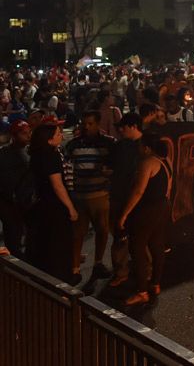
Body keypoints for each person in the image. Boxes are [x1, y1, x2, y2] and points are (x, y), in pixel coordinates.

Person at [118, 133, 172, 306]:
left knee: (137, 248)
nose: (138, 149)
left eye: (140, 146)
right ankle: (155, 283)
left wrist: (125, 213)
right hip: (162, 206)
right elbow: (169, 187)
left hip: (147, 210)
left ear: (147, 148)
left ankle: (142, 291)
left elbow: (139, 191)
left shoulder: (147, 163)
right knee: (157, 246)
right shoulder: (166, 162)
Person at [66, 110, 116, 283]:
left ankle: (98, 262)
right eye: (84, 124)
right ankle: (75, 268)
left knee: (102, 230)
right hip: (79, 195)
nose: (87, 127)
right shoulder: (73, 145)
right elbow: (67, 167)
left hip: (100, 195)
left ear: (98, 124)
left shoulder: (109, 144)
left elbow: (116, 167)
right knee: (77, 233)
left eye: (90, 124)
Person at [27, 121, 77, 282]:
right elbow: (57, 185)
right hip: (55, 207)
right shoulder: (51, 156)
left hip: (42, 205)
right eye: (57, 134)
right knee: (58, 246)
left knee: (45, 244)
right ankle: (61, 280)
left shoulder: (36, 154)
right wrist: (71, 208)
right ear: (48, 139)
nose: (61, 135)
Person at [108, 113, 143, 287]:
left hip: (138, 198)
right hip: (120, 196)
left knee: (140, 236)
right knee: (120, 236)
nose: (121, 130)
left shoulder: (146, 146)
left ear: (134, 126)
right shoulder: (121, 146)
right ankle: (122, 271)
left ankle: (143, 272)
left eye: (124, 126)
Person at [0, 120, 33, 257]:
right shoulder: (6, 154)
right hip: (10, 203)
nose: (27, 136)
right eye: (23, 133)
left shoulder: (27, 151)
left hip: (22, 202)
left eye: (28, 132)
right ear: (14, 136)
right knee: (13, 238)